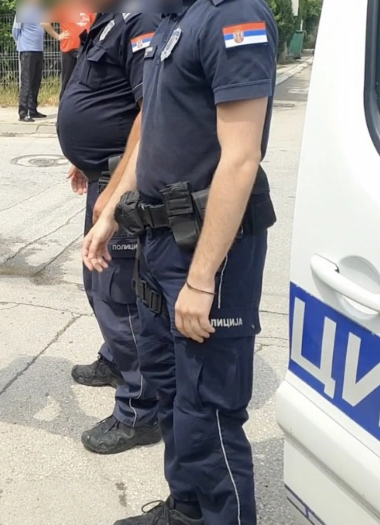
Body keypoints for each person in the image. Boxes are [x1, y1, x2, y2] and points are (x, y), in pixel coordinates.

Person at [85, 0, 279, 523]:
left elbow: (241, 158)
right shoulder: (172, 20)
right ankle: (187, 510)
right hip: (158, 242)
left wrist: (201, 279)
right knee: (171, 392)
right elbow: (150, 134)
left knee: (208, 410)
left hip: (208, 249)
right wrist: (111, 214)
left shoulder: (234, 15)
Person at [58, 6, 164, 454]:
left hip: (121, 186)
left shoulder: (140, 20)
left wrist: (118, 185)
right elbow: (105, 101)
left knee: (119, 295)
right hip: (102, 176)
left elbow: (148, 114)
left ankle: (140, 410)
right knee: (97, 283)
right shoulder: (106, 23)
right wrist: (83, 157)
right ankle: (116, 360)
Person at [45, 5, 94, 97]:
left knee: (84, 82)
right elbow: (45, 22)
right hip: (68, 50)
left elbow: (94, 24)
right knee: (67, 82)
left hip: (84, 50)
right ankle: (64, 104)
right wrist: (57, 36)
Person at [13, 0, 49, 122]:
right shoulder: (23, 10)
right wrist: (20, 44)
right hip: (27, 50)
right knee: (27, 82)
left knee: (36, 81)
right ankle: (23, 112)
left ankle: (32, 109)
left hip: (38, 49)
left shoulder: (40, 10)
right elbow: (15, 30)